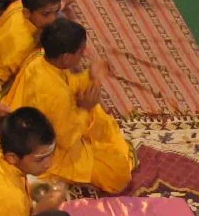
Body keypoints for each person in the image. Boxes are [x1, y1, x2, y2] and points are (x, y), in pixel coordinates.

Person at [9, 17, 134, 192]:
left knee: (96, 114)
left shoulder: (39, 61)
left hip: (38, 120)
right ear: (66, 57)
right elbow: (66, 139)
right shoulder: (57, 94)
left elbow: (69, 85)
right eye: (81, 52)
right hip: (51, 148)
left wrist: (91, 76)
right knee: (118, 174)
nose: (83, 56)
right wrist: (84, 109)